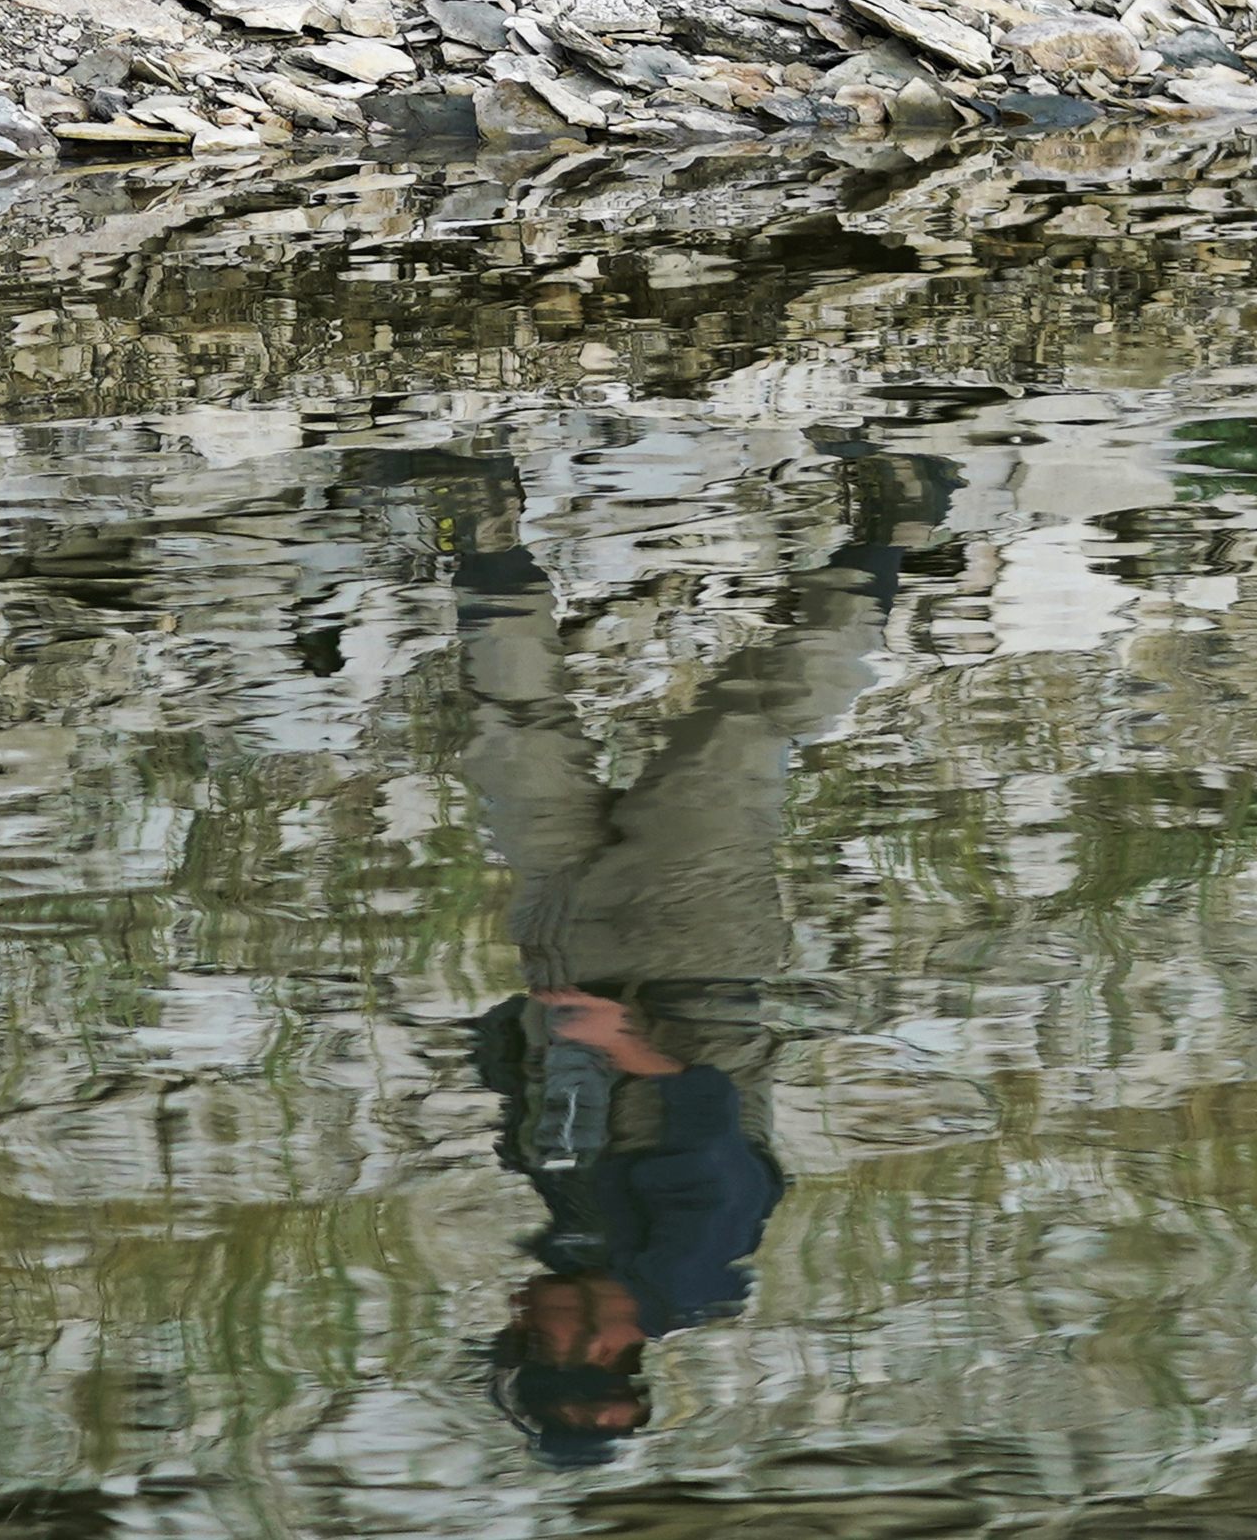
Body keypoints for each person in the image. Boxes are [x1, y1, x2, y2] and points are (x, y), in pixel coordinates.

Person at [359, 438, 910, 1466]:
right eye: (530, 1334)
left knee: (511, 731)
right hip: (686, 946)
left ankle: (482, 521)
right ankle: (894, 530)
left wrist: (506, 1033)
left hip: (561, 943)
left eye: (516, 1331)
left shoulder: (569, 1236)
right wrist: (626, 1044)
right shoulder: (694, 1273)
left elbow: (524, 1099)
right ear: (605, 1351)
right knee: (746, 729)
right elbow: (715, 1145)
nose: (518, 1312)